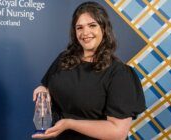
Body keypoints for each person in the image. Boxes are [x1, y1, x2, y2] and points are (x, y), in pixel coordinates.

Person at [32, 1, 146, 140]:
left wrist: (70, 124)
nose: (85, 33)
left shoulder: (119, 74)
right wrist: (43, 90)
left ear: (104, 29)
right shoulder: (64, 59)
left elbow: (117, 132)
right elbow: (48, 85)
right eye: (79, 28)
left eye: (92, 25)